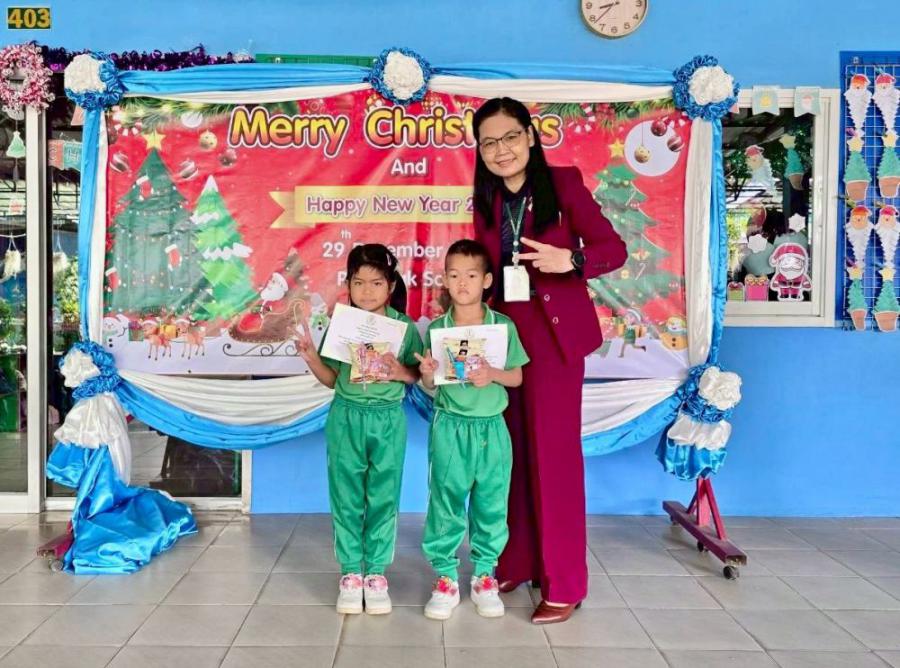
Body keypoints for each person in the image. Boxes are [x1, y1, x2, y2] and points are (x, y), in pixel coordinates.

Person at [471, 97, 627, 624]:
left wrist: (572, 259)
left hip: (554, 342)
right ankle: (518, 562)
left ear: (530, 136)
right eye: (489, 142)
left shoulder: (563, 184)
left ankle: (564, 583)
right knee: (511, 458)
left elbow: (614, 249)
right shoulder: (486, 199)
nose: (501, 150)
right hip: (505, 339)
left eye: (510, 137)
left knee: (554, 461)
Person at [297, 244, 423, 616]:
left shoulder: (404, 328)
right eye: (358, 282)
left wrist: (399, 371)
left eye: (376, 283)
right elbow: (333, 380)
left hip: (388, 419)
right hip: (346, 417)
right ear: (348, 285)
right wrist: (311, 358)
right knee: (346, 494)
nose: (367, 291)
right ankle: (351, 572)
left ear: (391, 286)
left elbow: (416, 376)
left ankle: (377, 573)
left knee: (384, 494)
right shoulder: (343, 325)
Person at [415, 239, 529, 620]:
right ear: (445, 280)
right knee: (445, 501)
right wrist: (427, 374)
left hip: (491, 429)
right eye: (453, 275)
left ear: (487, 280)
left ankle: (484, 576)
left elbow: (516, 376)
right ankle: (445, 578)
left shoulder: (502, 326)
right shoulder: (438, 329)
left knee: (491, 503)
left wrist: (492, 374)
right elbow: (430, 385)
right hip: (450, 427)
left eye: (471, 275)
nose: (462, 283)